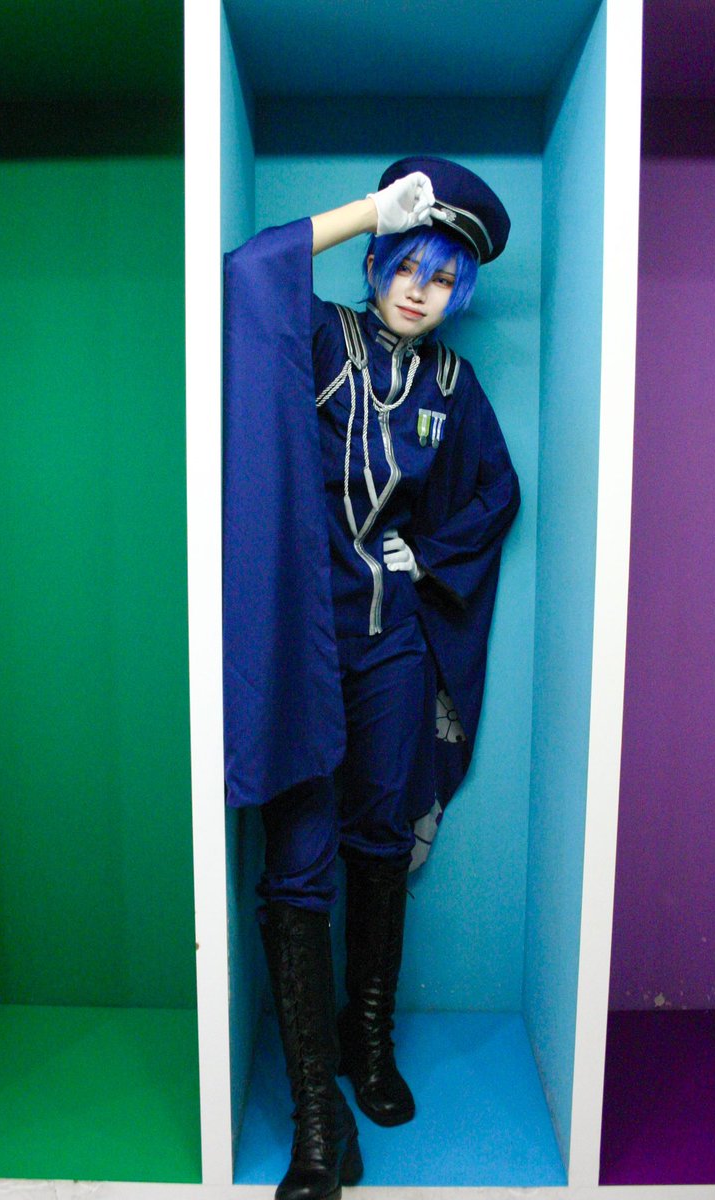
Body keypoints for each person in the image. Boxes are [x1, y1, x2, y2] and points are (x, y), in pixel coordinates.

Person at [223, 157, 521, 1200]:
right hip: (300, 639)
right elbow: (244, 277)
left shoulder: (453, 386)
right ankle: (320, 1117)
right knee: (297, 858)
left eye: (442, 277)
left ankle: (368, 1037)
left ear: (458, 293)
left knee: (381, 837)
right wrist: (362, 213)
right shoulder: (318, 337)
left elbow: (496, 492)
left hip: (393, 644)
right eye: (405, 263)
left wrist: (425, 559)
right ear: (376, 261)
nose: (418, 290)